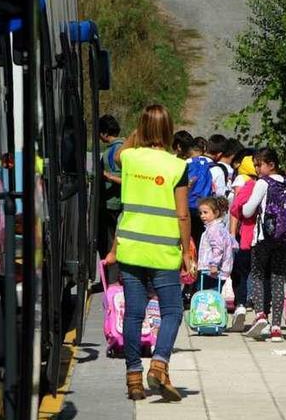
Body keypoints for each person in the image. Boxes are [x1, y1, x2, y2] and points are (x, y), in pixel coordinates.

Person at [105, 104, 191, 402]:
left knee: (134, 314)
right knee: (172, 311)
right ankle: (159, 363)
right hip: (163, 250)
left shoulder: (129, 158)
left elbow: (118, 153)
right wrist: (187, 252)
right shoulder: (177, 166)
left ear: (141, 129)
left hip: (130, 248)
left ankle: (133, 380)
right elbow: (182, 214)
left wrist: (140, 130)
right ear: (169, 130)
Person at [242, 148, 286, 343]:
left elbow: (247, 211)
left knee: (257, 274)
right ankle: (277, 327)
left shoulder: (263, 183)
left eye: (259, 164)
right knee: (279, 278)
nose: (256, 168)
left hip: (264, 237)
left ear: (271, 165)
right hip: (284, 238)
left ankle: (261, 315)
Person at [228, 155, 258, 331]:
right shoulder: (267, 184)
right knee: (259, 273)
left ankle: (240, 303)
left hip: (244, 236)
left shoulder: (243, 183)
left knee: (239, 271)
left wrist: (232, 234)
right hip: (262, 238)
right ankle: (259, 310)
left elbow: (236, 212)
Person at [98, 115, 125, 265]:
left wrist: (106, 176)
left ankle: (112, 279)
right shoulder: (123, 147)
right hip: (116, 203)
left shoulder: (114, 151)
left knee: (110, 242)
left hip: (112, 204)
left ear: (104, 133)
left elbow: (122, 178)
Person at [196, 196, 235, 291]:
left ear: (216, 213)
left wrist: (214, 264)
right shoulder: (218, 228)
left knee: (209, 295)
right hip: (214, 270)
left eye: (205, 213)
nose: (202, 216)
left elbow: (218, 248)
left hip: (212, 271)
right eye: (200, 213)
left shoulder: (214, 229)